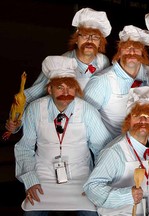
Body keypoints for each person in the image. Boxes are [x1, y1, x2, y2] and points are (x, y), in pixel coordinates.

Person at [14, 56, 113, 216]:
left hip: (81, 177)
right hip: (43, 177)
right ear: (49, 89)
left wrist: (96, 182)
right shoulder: (35, 109)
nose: (66, 92)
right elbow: (24, 148)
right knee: (31, 214)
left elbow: (104, 148)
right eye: (60, 87)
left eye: (70, 87)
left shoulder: (87, 110)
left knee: (91, 214)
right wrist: (31, 180)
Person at [5, 7, 112, 134]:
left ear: (100, 42)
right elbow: (29, 96)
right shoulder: (60, 63)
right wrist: (16, 122)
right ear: (76, 39)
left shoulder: (103, 61)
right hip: (65, 126)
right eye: (84, 36)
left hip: (92, 125)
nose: (89, 41)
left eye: (95, 37)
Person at [83, 86, 149, 216]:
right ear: (128, 120)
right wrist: (127, 195)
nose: (143, 121)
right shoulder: (115, 152)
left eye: (147, 116)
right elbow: (92, 188)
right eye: (137, 115)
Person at [84, 25, 149, 138]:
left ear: (143, 52)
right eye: (126, 47)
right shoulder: (101, 81)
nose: (131, 51)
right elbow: (85, 119)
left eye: (136, 47)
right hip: (110, 146)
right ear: (119, 52)